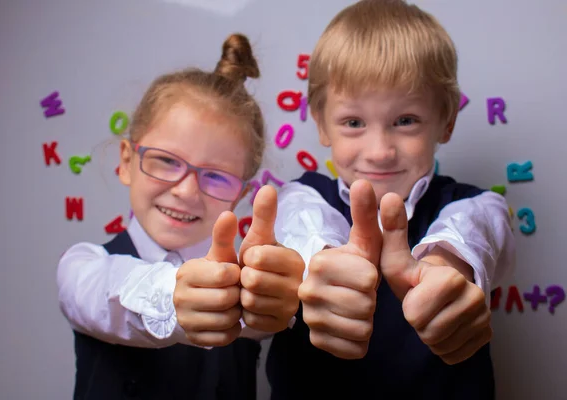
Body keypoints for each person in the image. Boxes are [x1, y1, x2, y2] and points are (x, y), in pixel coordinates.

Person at [266, 1, 516, 399]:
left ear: (446, 121)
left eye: (405, 121)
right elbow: (303, 225)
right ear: (320, 123)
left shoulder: (475, 205)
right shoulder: (302, 197)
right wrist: (325, 260)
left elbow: (473, 232)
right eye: (354, 123)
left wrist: (440, 268)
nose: (379, 151)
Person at [57, 33, 304, 400]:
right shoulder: (83, 267)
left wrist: (283, 301)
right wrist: (176, 298)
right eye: (167, 161)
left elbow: (270, 318)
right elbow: (107, 295)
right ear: (127, 161)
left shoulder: (248, 283)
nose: (186, 191)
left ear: (240, 195)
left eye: (216, 176)